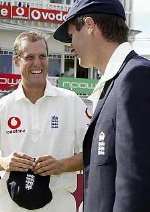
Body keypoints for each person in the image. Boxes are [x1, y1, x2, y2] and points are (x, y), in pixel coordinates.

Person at [53, 0, 150, 212]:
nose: (71, 46)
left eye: (72, 36)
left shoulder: (135, 77)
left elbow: (135, 182)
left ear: (89, 26)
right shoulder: (115, 82)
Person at [0, 31, 89, 212]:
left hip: (59, 204)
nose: (37, 63)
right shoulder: (3, 106)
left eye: (42, 56)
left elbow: (91, 154)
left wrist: (62, 165)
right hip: (10, 204)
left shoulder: (71, 101)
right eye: (29, 57)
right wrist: (4, 162)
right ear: (17, 61)